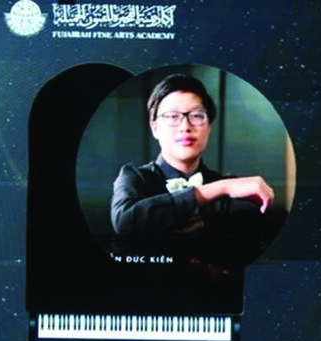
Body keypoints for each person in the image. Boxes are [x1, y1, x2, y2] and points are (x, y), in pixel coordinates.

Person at [110, 74, 280, 260]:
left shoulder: (230, 192)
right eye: (172, 116)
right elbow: (124, 222)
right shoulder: (135, 177)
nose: (185, 126)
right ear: (154, 127)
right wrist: (218, 189)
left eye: (197, 116)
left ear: (209, 127)